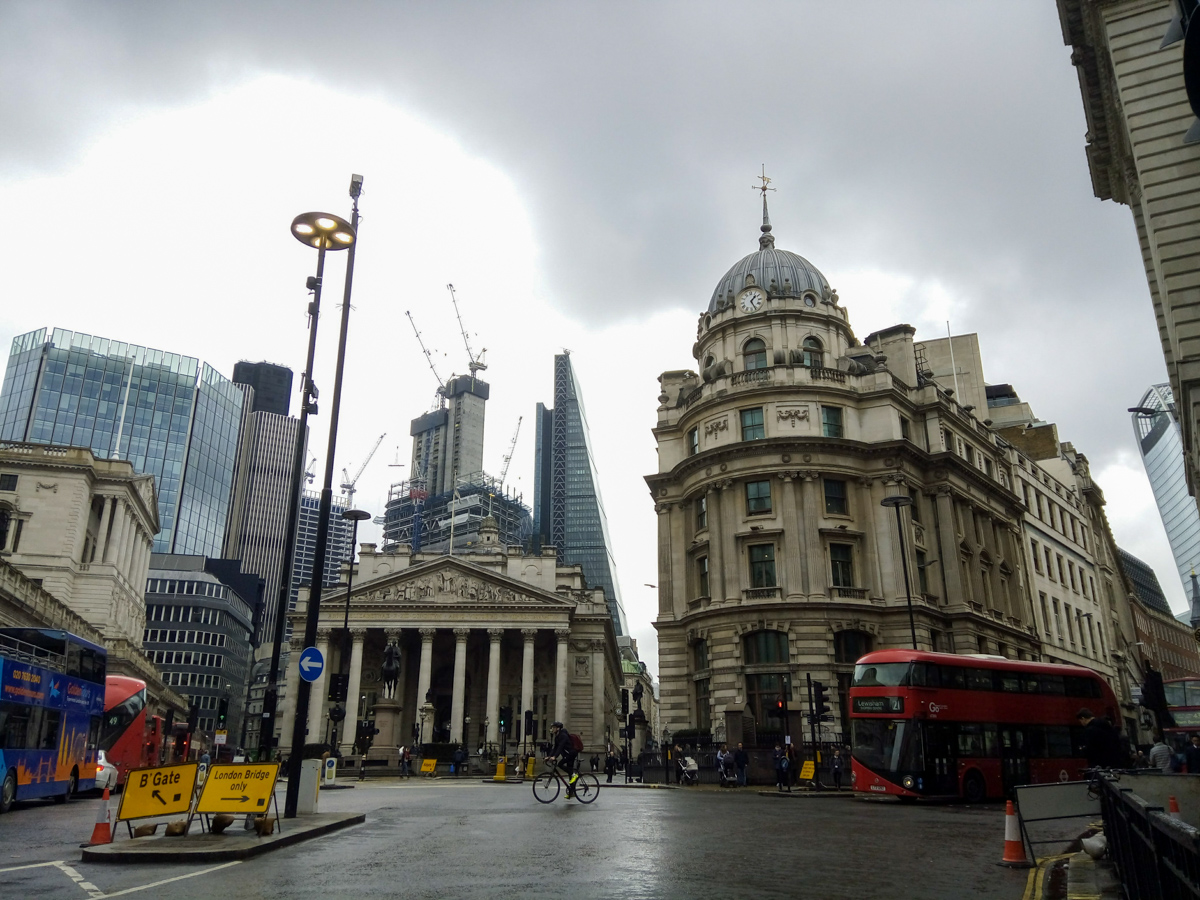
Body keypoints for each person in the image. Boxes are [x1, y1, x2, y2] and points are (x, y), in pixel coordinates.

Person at [546, 721, 580, 798]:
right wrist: (549, 756)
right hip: (568, 754)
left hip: (572, 753)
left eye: (554, 727)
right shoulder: (557, 737)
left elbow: (560, 747)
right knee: (569, 774)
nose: (552, 729)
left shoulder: (563, 735)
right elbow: (555, 748)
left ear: (558, 728)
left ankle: (574, 774)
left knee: (560, 764)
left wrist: (555, 757)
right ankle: (572, 792)